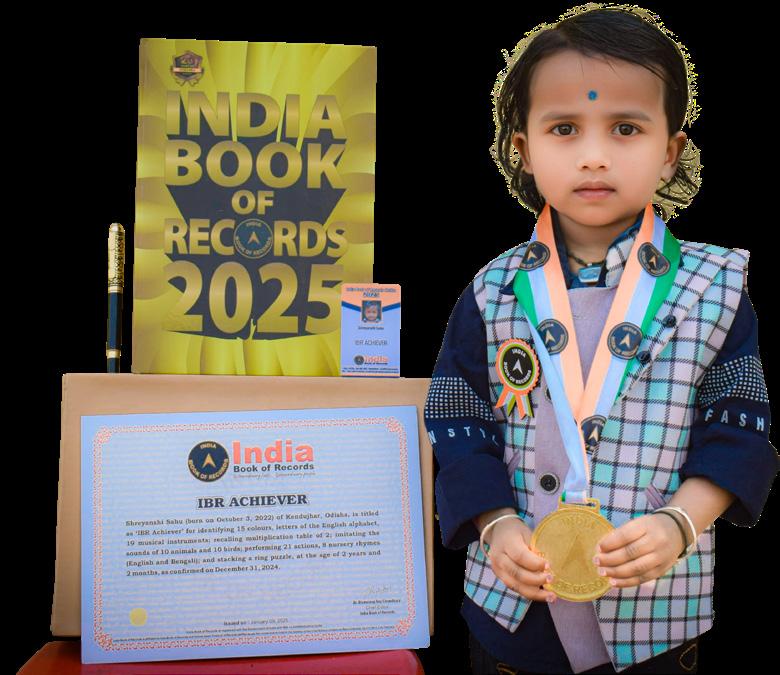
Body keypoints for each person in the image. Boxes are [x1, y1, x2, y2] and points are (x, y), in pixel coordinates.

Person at [424, 4, 779, 674]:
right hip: (512, 615)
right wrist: (495, 523)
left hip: (654, 618)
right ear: (523, 148)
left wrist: (680, 522)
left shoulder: (715, 288)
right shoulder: (491, 289)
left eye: (625, 128)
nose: (594, 155)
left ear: (669, 151)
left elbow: (738, 429)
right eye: (564, 128)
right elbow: (456, 416)